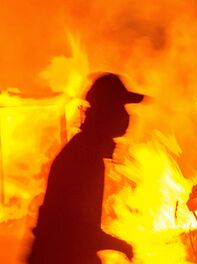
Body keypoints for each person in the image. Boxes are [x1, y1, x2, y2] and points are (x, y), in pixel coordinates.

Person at [28, 73, 143, 264]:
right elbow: (78, 233)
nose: (126, 116)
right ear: (107, 113)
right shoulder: (84, 158)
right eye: (120, 107)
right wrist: (121, 246)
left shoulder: (86, 151)